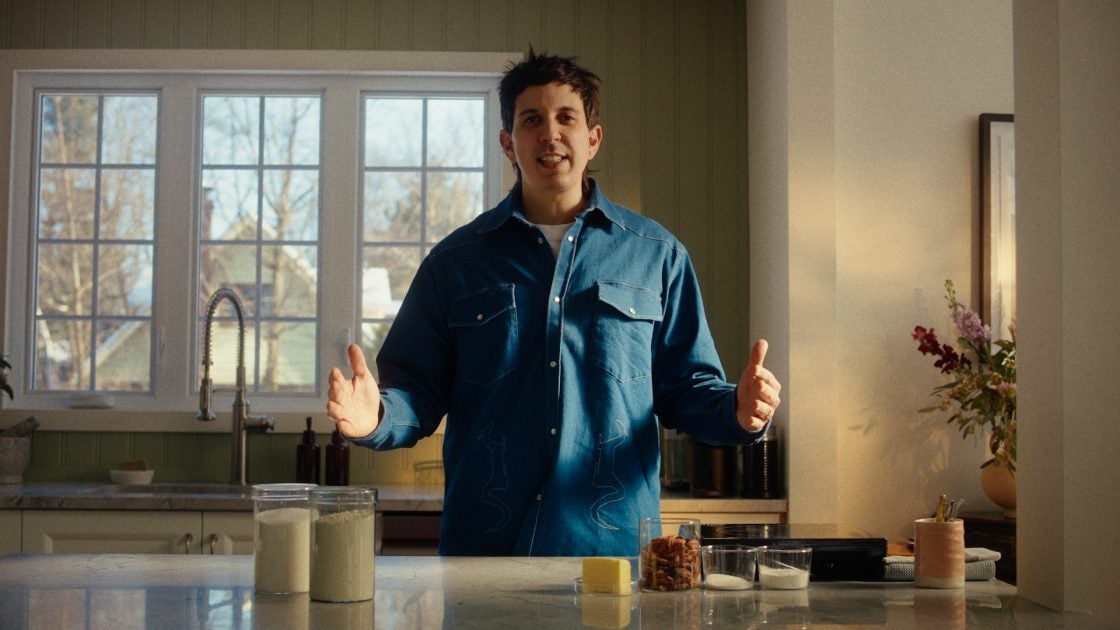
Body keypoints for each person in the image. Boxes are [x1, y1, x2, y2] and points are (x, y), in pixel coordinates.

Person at [327, 50, 781, 556]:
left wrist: (739, 411)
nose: (550, 133)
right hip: (484, 552)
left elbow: (688, 389)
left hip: (611, 553)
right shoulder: (454, 262)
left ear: (593, 138)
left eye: (566, 118)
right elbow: (416, 391)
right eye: (531, 120)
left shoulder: (657, 255)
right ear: (507, 142)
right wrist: (376, 418)